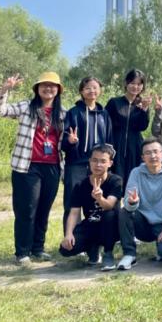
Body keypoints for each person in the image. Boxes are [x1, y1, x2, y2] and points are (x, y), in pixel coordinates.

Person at [0, 71, 66, 266]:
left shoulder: (63, 113)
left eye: (53, 85)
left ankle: (38, 249)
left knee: (44, 209)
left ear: (58, 90)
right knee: (27, 209)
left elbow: (67, 140)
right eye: (44, 85)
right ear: (37, 88)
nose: (48, 88)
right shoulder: (26, 107)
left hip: (52, 166)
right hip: (27, 166)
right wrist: (4, 89)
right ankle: (22, 252)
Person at [117, 138, 162, 270]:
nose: (153, 156)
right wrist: (132, 202)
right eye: (148, 153)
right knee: (124, 212)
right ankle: (129, 254)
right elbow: (128, 201)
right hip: (143, 223)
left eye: (156, 151)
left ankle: (161, 248)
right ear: (142, 157)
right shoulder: (136, 173)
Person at [59, 144, 123, 271]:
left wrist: (99, 198)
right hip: (91, 224)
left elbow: (109, 205)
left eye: (103, 161)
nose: (98, 165)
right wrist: (68, 234)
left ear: (110, 163)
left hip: (112, 227)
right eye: (95, 160)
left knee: (109, 215)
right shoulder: (81, 185)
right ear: (89, 161)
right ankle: (92, 248)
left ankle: (108, 253)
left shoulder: (115, 181)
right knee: (65, 249)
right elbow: (74, 213)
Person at [61, 76, 113, 230]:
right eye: (88, 88)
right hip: (76, 164)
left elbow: (109, 141)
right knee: (73, 202)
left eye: (95, 87)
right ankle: (72, 237)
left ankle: (96, 237)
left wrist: (107, 161)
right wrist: (70, 141)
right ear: (81, 91)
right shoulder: (73, 112)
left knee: (97, 202)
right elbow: (63, 141)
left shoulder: (104, 114)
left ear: (100, 90)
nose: (92, 91)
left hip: (98, 164)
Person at [105, 68, 152, 181]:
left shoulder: (142, 104)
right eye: (132, 83)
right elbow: (105, 124)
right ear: (126, 83)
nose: (135, 87)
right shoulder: (114, 102)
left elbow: (142, 126)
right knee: (115, 179)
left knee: (133, 179)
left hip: (134, 147)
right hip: (116, 146)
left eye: (139, 84)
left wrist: (144, 109)